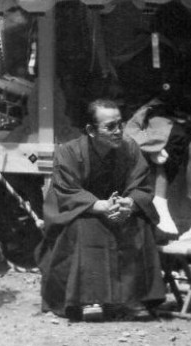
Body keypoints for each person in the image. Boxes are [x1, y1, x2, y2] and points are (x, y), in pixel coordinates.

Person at [38, 98, 166, 321]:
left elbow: (141, 185)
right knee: (88, 224)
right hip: (79, 215)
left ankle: (134, 298)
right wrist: (100, 206)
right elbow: (66, 193)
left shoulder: (129, 148)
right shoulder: (68, 152)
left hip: (119, 211)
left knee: (139, 222)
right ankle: (89, 298)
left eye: (120, 124)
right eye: (110, 127)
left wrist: (129, 204)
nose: (118, 131)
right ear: (90, 130)